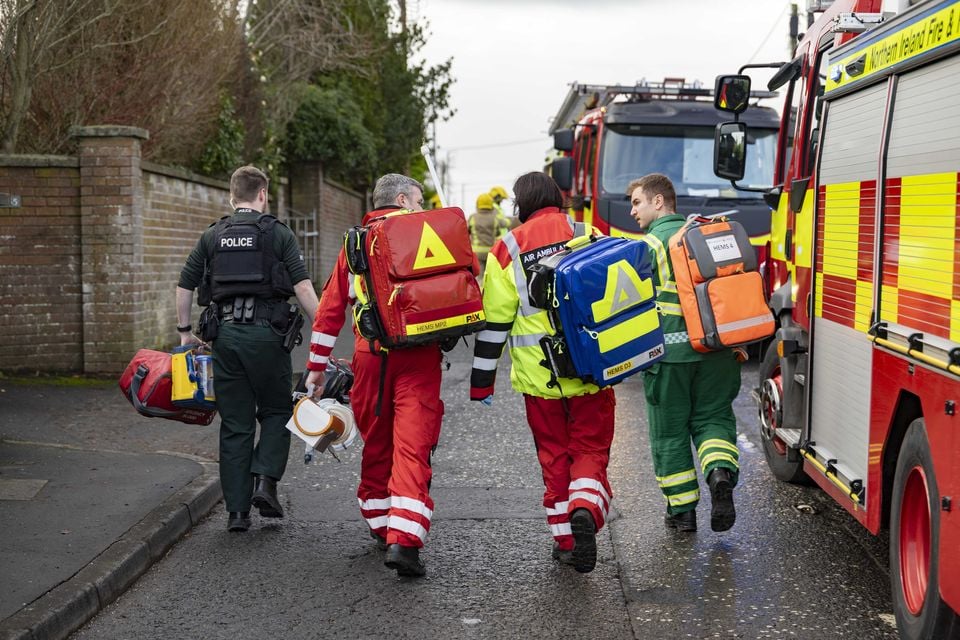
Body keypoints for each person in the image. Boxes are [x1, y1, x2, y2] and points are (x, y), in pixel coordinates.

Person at [470, 171, 615, 574]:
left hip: (540, 378)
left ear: (521, 205)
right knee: (590, 449)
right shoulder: (589, 233)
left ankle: (566, 540)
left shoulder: (507, 248)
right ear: (557, 197)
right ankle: (585, 507)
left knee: (554, 456)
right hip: (591, 370)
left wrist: (482, 382)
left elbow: (495, 323)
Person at [305, 173, 444, 578]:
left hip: (370, 359)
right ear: (402, 199)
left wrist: (316, 370)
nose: (421, 209)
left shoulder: (355, 243)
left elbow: (330, 311)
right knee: (412, 448)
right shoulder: (424, 238)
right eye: (417, 201)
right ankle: (405, 541)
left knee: (377, 442)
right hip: (420, 358)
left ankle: (382, 526)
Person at [176, 165, 319, 533]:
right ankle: (266, 481)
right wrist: (324, 331)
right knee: (276, 410)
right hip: (268, 337)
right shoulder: (278, 234)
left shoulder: (213, 235)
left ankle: (237, 513)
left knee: (236, 422)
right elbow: (303, 289)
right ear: (263, 194)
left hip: (224, 337)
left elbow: (185, 285)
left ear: (231, 195)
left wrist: (184, 333)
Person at [627, 173, 740, 534]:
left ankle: (682, 512)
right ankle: (719, 473)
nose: (633, 212)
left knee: (670, 433)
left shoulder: (650, 246)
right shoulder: (709, 234)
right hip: (719, 349)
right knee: (714, 420)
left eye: (637, 202)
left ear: (658, 202)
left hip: (670, 358)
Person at [467, 193, 511, 279]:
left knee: (478, 276)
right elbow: (498, 232)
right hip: (490, 252)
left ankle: (479, 290)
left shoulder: (473, 217)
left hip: (477, 253)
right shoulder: (494, 218)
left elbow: (467, 231)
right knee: (489, 276)